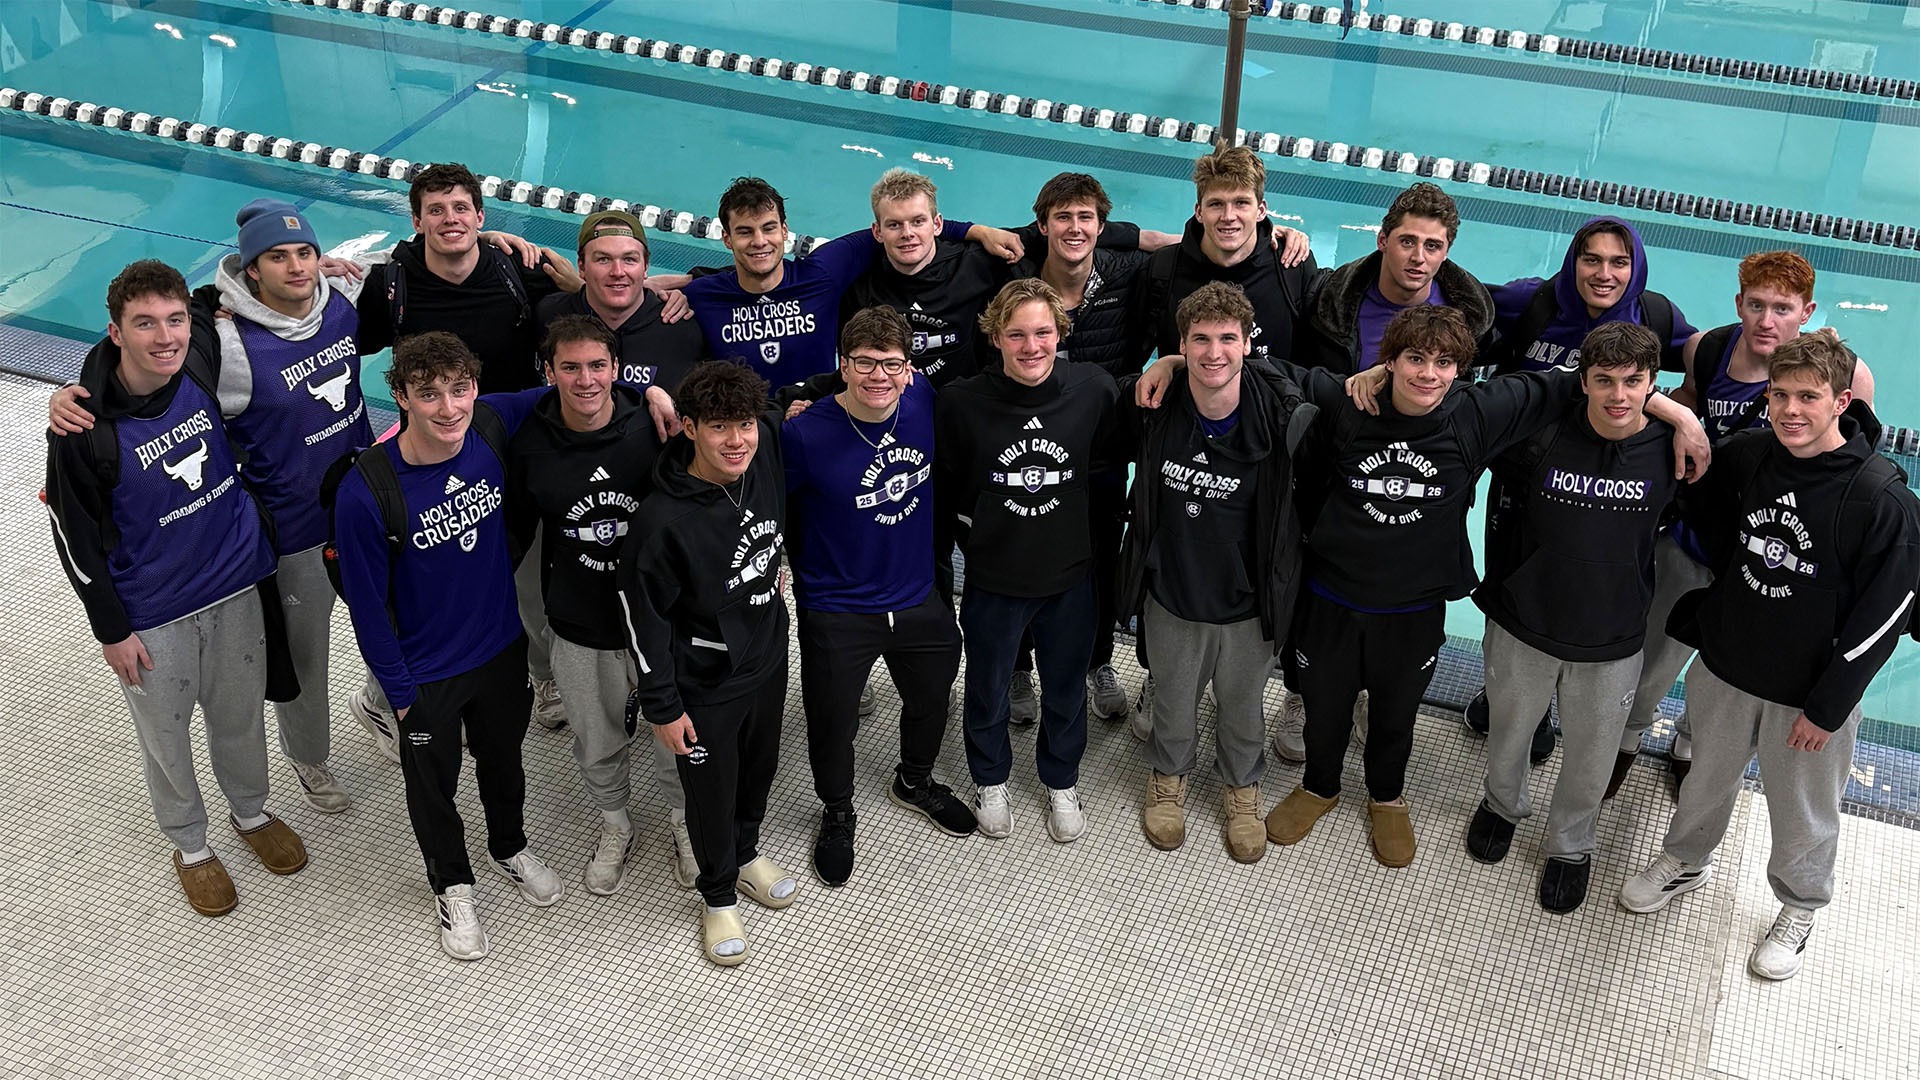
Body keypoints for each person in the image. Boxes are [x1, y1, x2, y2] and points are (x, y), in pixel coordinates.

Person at [1135, 305, 1706, 867]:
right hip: (1331, 595)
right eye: (1413, 359)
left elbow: (1578, 380)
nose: (1427, 374)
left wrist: (1677, 415)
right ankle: (1320, 787)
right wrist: (1170, 364)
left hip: (1413, 606)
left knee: (1395, 713)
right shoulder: (1345, 400)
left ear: (1461, 369)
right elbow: (1254, 365)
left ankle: (1387, 796)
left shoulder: (1476, 414)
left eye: (1442, 362)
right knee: (1324, 709)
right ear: (1389, 362)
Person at [49, 201, 372, 811]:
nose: (297, 266)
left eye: (304, 253)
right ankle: (308, 760)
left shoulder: (340, 303)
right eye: (278, 256)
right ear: (251, 270)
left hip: (354, 510)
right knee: (304, 659)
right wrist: (78, 391)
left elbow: (178, 311)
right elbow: (151, 343)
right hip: (289, 534)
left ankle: (375, 714)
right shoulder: (219, 345)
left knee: (395, 616)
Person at [1620, 329, 1918, 982]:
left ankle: (1799, 905)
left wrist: (1830, 705)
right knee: (1704, 781)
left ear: (1842, 401)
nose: (1790, 409)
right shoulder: (1750, 455)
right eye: (1779, 394)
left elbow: (1886, 617)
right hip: (1726, 668)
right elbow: (1701, 512)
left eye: (1807, 397)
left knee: (1803, 809)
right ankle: (1684, 860)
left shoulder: (1881, 500)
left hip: (1806, 695)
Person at [45, 259, 305, 916]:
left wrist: (318, 266)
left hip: (236, 585)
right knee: (166, 736)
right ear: (114, 333)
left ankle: (249, 813)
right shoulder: (82, 431)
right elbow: (72, 535)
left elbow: (227, 288)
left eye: (173, 320)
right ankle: (190, 845)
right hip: (153, 613)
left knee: (240, 718)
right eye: (144, 324)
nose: (166, 336)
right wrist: (111, 629)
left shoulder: (197, 359)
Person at [1610, 251, 1876, 798]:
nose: (1767, 320)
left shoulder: (1845, 375)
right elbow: (1676, 409)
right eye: (1757, 305)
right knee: (1654, 660)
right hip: (1692, 543)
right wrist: (1679, 416)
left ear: (1807, 312)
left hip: (1768, 559)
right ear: (1739, 303)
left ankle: (1688, 745)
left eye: (1783, 308)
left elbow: (1851, 464)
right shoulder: (1707, 349)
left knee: (1727, 673)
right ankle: (1627, 740)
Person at [332, 332, 563, 961]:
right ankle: (452, 885)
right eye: (428, 394)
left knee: (504, 761)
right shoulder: (366, 492)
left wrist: (646, 390)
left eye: (459, 389)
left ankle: (509, 846)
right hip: (424, 674)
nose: (449, 407)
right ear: (400, 396)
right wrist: (399, 694)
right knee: (432, 787)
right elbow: (368, 609)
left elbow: (574, 386)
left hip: (498, 650)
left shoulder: (489, 427)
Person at [349, 162, 581, 743]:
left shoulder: (516, 271)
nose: (449, 220)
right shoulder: (390, 287)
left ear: (481, 216)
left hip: (510, 450)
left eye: (460, 209)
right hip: (426, 458)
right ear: (417, 220)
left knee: (523, 570)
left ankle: (543, 674)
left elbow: (589, 310)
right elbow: (328, 337)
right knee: (422, 582)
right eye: (436, 210)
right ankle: (382, 695)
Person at [1273, 180, 1497, 761]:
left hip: (1424, 483)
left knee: (1402, 599)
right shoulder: (1331, 299)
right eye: (1406, 242)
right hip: (1336, 475)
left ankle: (1376, 692)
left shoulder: (1469, 315)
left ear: (1448, 251)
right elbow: (1287, 368)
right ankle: (1305, 693)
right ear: (1383, 240)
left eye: (1433, 245)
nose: (1418, 258)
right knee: (1319, 594)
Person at [1465, 323, 1682, 913]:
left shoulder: (1672, 450)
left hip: (1612, 636)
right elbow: (1460, 424)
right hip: (1523, 623)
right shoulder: (1538, 436)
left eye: (1633, 382)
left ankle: (1571, 846)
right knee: (1510, 731)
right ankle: (1501, 805)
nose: (1618, 395)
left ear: (1652, 385)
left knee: (1592, 751)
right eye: (1604, 380)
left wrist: (1685, 420)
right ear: (1581, 381)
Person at [1464, 214, 1701, 752]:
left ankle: (1547, 702)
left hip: (1602, 486)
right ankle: (1503, 690)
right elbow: (1449, 298)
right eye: (1591, 259)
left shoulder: (1654, 316)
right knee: (1505, 586)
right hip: (1521, 480)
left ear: (1635, 267)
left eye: (1619, 262)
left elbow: (1710, 352)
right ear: (1573, 261)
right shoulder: (1536, 303)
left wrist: (1687, 412)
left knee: (1579, 589)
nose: (1604, 273)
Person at [1113, 282, 1314, 862]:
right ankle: (1168, 778)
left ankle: (1242, 786)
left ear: (1249, 343)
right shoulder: (1153, 404)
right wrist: (1165, 365)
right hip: (1173, 585)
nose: (1213, 352)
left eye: (1227, 338)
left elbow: (1349, 393)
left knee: (1243, 700)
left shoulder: (1281, 410)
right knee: (1173, 697)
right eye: (1198, 340)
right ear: (1182, 343)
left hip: (1249, 594)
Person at [781, 307, 975, 887]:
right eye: (863, 363)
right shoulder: (804, 432)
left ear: (909, 369)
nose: (878, 376)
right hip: (837, 605)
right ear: (843, 366)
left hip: (917, 595)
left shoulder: (923, 401)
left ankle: (914, 780)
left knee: (932, 692)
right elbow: (769, 502)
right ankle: (837, 810)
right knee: (833, 719)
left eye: (891, 364)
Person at [505, 316, 697, 895]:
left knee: (678, 736)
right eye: (570, 367)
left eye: (596, 366)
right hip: (580, 623)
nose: (585, 379)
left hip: (663, 620)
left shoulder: (655, 425)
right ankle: (617, 824)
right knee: (597, 740)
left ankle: (684, 822)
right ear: (549, 372)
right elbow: (513, 539)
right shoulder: (532, 446)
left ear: (617, 369)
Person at [617, 361, 794, 967]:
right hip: (705, 681)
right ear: (688, 428)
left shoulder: (763, 444)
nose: (737, 440)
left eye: (743, 424)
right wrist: (664, 707)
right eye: (720, 427)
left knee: (761, 767)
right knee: (710, 791)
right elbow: (645, 625)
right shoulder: (661, 523)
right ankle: (717, 893)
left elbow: (802, 396)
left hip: (768, 655)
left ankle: (745, 855)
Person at [936, 279, 1119, 842]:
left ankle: (1060, 780)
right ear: (995, 337)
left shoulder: (1093, 389)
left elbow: (1107, 471)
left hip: (1069, 578)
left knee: (1066, 687)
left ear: (1060, 332)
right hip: (994, 579)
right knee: (988, 687)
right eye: (1016, 334)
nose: (1031, 345)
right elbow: (950, 488)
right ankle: (991, 779)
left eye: (1042, 331)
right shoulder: (962, 402)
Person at [677, 176, 1017, 390]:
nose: (759, 241)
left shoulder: (821, 274)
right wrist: (683, 284)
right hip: (746, 433)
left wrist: (976, 230)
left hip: (811, 414)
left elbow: (907, 230)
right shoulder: (700, 295)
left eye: (768, 228)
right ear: (725, 239)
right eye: (744, 232)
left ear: (784, 231)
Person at [1124, 145, 1318, 370]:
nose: (1228, 216)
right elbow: (1127, 366)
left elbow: (1312, 370)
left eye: (1241, 203)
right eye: (1216, 204)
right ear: (1199, 211)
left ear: (1261, 210)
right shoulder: (1162, 270)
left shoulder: (1291, 265)